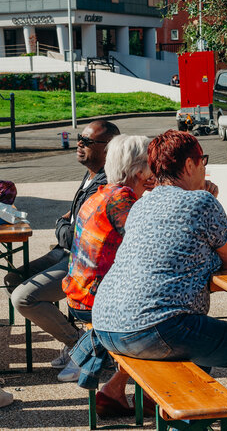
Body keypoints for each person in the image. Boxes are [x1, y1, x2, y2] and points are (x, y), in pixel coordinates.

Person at [89, 130, 227, 430]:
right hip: (155, 328)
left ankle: (192, 423)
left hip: (107, 325)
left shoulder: (141, 205)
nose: (205, 168)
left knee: (201, 340)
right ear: (190, 166)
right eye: (203, 161)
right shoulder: (202, 202)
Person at [5, 120, 120, 378]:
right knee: (13, 278)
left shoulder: (106, 183)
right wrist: (65, 224)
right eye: (80, 138)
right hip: (66, 253)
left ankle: (82, 345)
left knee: (23, 298)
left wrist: (61, 223)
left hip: (84, 263)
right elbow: (72, 223)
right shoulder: (90, 174)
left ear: (108, 148)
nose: (79, 143)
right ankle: (76, 341)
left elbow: (73, 234)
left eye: (88, 141)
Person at [59, 134, 153, 394]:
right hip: (95, 301)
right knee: (167, 323)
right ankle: (153, 396)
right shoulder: (122, 200)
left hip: (77, 294)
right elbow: (148, 247)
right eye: (152, 163)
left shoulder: (103, 193)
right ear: (138, 169)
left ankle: (115, 389)